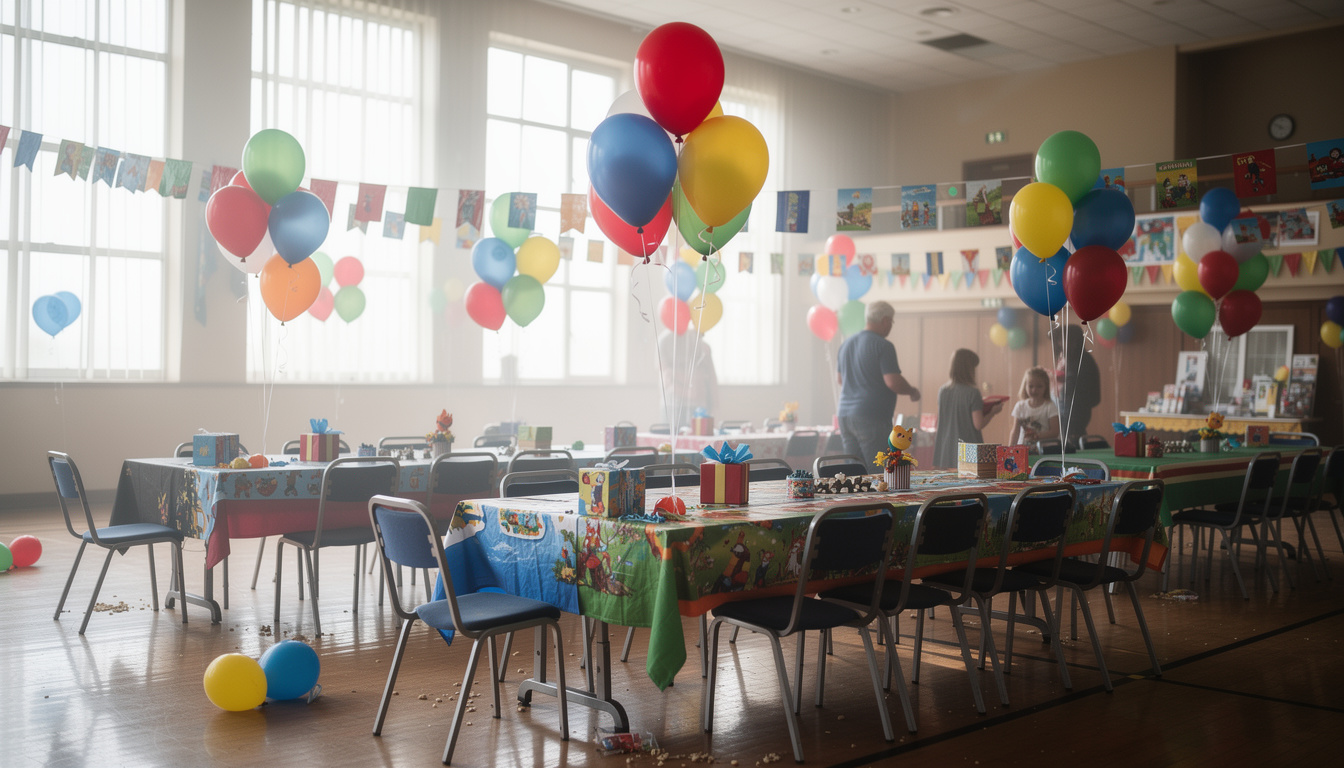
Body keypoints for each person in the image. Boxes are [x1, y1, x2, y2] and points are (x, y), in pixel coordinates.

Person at [836, 300, 920, 469]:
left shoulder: (846, 344)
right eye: (892, 322)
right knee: (880, 471)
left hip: (844, 416)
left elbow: (840, 380)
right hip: (871, 417)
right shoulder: (883, 345)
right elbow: (893, 381)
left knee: (854, 473)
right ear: (885, 320)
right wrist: (911, 391)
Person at [932, 349, 1002, 468]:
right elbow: (978, 424)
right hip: (968, 450)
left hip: (946, 448)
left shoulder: (943, 391)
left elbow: (941, 419)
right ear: (970, 369)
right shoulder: (973, 392)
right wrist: (993, 412)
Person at [657, 329, 717, 432]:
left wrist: (714, 403)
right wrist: (688, 392)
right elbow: (665, 377)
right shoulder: (664, 341)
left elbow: (710, 376)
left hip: (699, 407)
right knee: (670, 443)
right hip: (672, 406)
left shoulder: (701, 343)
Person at [1055, 327, 1101, 443]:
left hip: (1075, 411)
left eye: (1063, 340)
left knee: (1072, 441)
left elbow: (1075, 388)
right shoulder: (1069, 359)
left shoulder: (1082, 360)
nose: (1060, 344)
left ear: (1074, 341)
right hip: (1068, 409)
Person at [1009, 366, 1060, 446]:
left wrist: (1037, 436)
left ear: (1045, 387)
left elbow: (1055, 431)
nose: (1034, 390)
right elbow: (1015, 431)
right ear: (1025, 386)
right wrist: (1009, 450)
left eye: (1039, 386)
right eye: (1031, 386)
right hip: (1024, 450)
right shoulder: (1020, 406)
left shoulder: (1050, 406)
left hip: (1045, 450)